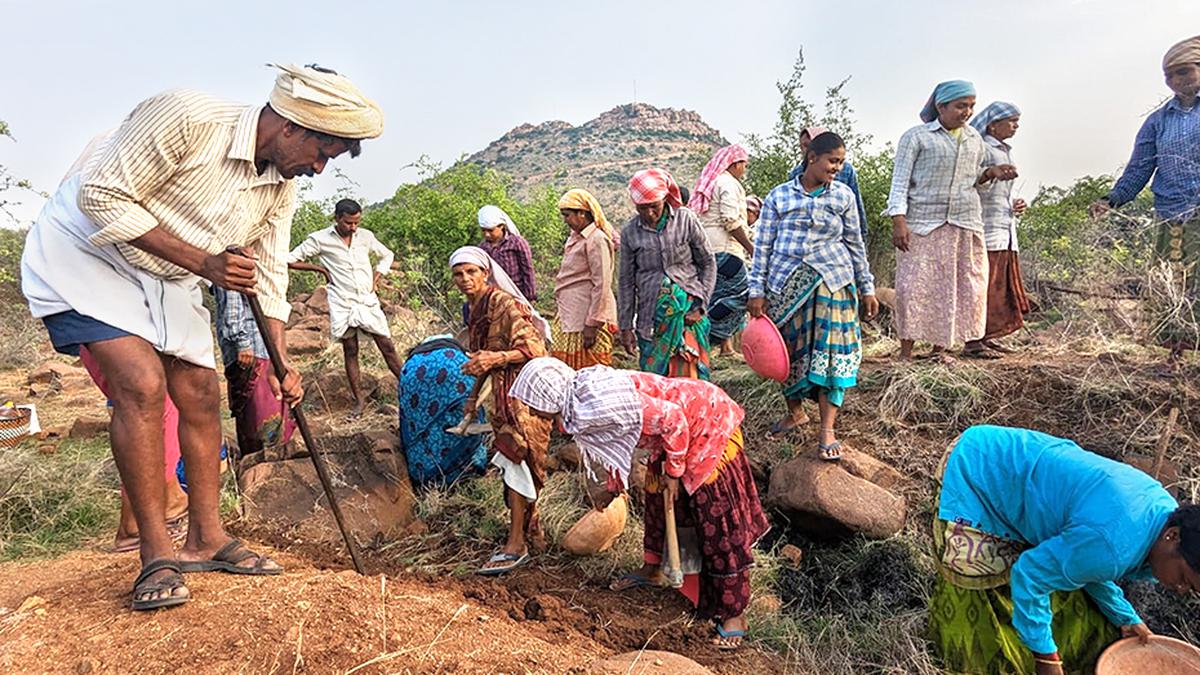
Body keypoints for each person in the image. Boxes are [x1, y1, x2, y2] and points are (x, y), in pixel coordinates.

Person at [20, 63, 383, 610]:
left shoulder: (278, 187)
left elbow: (269, 276)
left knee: (199, 394)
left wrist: (282, 360)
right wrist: (205, 263)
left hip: (168, 271)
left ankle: (205, 538)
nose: (319, 167)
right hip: (87, 255)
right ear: (291, 127)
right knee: (140, 387)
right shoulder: (188, 116)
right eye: (322, 152)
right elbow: (100, 198)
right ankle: (155, 555)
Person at [510, 358, 770, 651]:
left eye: (532, 401)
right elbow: (617, 444)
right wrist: (612, 489)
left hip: (704, 424)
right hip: (672, 435)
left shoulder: (599, 401)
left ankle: (735, 615)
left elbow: (673, 419)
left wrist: (674, 471)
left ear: (550, 394)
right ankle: (660, 572)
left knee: (715, 522)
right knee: (662, 504)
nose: (530, 410)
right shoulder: (579, 402)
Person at [930, 425, 1200, 675]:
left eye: (1191, 590)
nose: (1180, 590)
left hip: (1026, 463)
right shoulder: (1113, 543)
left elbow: (1091, 562)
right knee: (980, 591)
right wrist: (1045, 658)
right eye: (1185, 580)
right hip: (981, 470)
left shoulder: (1165, 511)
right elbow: (1030, 573)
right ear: (1172, 536)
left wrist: (1124, 617)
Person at [747, 132, 879, 457]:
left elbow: (854, 244)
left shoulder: (843, 196)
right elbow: (762, 247)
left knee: (832, 356)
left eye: (841, 162)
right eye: (832, 161)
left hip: (833, 282)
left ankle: (827, 431)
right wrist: (756, 290)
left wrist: (867, 288)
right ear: (812, 159)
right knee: (785, 355)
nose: (837, 167)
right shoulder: (779, 197)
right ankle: (795, 413)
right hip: (785, 285)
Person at [886, 80, 1018, 362]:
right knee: (914, 287)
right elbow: (899, 183)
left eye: (971, 106)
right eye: (960, 106)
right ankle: (906, 353)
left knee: (957, 287)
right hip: (923, 223)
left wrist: (991, 173)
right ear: (941, 106)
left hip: (964, 222)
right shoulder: (917, 137)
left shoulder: (974, 140)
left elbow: (975, 182)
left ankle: (940, 350)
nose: (967, 112)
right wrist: (899, 221)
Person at [1091, 35, 1200, 362]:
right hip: (1170, 213)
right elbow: (1139, 167)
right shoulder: (1158, 120)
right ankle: (1175, 356)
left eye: (1184, 72)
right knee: (1170, 286)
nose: (1175, 81)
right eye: (1169, 75)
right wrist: (1112, 199)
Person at [448, 246, 553, 576]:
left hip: (523, 397)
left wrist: (496, 359)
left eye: (471, 273)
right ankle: (529, 535)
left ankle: (515, 543)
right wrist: (471, 399)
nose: (465, 280)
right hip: (502, 398)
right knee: (512, 463)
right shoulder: (473, 309)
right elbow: (480, 356)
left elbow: (535, 348)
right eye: (458, 274)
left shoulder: (504, 304)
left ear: (485, 274)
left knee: (518, 462)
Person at [288, 198, 403, 417]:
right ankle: (359, 402)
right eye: (349, 223)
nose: (353, 227)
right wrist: (319, 269)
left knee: (386, 345)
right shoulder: (320, 239)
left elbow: (387, 254)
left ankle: (408, 389)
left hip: (366, 299)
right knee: (350, 349)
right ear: (337, 219)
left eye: (357, 222)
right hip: (342, 300)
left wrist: (377, 276)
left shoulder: (365, 236)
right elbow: (289, 259)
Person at [79, 346, 189, 553]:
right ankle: (146, 518)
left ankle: (162, 507)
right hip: (113, 331)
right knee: (150, 408)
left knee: (154, 407)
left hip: (110, 333)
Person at [618, 168, 717, 379]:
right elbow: (626, 282)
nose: (649, 214)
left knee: (691, 377)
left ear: (665, 199)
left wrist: (701, 306)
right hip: (650, 316)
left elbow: (708, 262)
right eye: (642, 209)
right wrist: (625, 326)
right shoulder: (629, 232)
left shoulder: (686, 219)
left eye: (654, 207)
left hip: (689, 311)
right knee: (656, 379)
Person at [964, 103, 1031, 357]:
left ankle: (987, 335)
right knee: (984, 284)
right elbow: (971, 181)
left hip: (1003, 226)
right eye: (1011, 121)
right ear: (993, 124)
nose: (1015, 126)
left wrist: (1015, 203)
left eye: (1017, 121)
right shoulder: (981, 149)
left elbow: (1002, 192)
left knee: (997, 285)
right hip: (986, 226)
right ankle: (973, 340)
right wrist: (990, 174)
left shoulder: (1005, 151)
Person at [213, 287, 296, 457]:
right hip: (253, 345)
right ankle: (264, 465)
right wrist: (242, 341)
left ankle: (266, 462)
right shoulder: (234, 261)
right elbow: (232, 296)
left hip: (258, 345)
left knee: (259, 410)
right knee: (261, 410)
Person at [399, 335, 488, 488]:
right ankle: (469, 466)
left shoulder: (413, 359)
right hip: (453, 365)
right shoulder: (458, 352)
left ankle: (426, 475)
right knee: (466, 413)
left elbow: (407, 417)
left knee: (420, 423)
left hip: (412, 373)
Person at [692, 145, 754, 357]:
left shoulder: (713, 183)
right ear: (736, 164)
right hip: (726, 250)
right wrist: (750, 247)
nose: (744, 169)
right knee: (743, 294)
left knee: (717, 296)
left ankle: (724, 347)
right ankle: (706, 340)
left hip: (707, 250)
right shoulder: (729, 183)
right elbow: (730, 220)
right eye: (744, 165)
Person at [553, 189, 619, 369]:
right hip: (571, 314)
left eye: (567, 215)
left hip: (586, 318)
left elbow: (602, 284)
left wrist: (592, 323)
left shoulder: (596, 239)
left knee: (590, 372)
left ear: (582, 213)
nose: (565, 220)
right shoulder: (575, 238)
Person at [789, 126, 869, 243]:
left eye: (808, 145)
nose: (804, 150)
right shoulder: (796, 174)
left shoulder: (846, 170)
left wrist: (862, 237)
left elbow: (856, 206)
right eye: (803, 146)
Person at [477, 205, 537, 302]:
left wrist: (530, 296)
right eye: (483, 230)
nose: (487, 234)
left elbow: (527, 270)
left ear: (501, 226)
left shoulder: (516, 243)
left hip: (516, 294)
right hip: (494, 296)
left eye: (490, 230)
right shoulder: (483, 248)